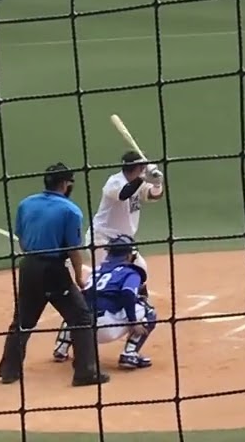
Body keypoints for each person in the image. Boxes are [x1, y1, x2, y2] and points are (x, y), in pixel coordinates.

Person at [0, 163, 109, 387]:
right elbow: (73, 249)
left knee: (22, 321)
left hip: (28, 267)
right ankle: (86, 373)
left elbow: (22, 239)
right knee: (81, 318)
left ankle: (9, 371)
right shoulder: (70, 210)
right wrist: (79, 276)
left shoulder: (26, 203)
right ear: (65, 184)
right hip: (53, 271)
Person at [52, 151, 163, 362]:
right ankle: (130, 333)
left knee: (136, 272)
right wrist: (144, 177)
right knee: (107, 283)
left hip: (124, 244)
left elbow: (153, 195)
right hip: (102, 240)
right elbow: (124, 194)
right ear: (138, 168)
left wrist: (158, 181)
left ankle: (66, 341)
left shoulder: (137, 182)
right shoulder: (115, 182)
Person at [83, 234, 158, 370]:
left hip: (84, 331)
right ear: (129, 255)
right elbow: (128, 293)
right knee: (148, 310)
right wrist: (133, 321)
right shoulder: (130, 272)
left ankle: (62, 347)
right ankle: (129, 354)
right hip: (106, 329)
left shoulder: (96, 271)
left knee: (79, 308)